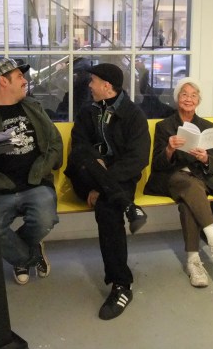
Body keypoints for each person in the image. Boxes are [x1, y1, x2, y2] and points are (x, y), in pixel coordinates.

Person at [65, 63, 150, 320]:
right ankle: (129, 207)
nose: (89, 85)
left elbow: (138, 158)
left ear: (107, 85)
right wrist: (95, 176)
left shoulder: (133, 115)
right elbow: (79, 148)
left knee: (107, 210)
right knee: (82, 153)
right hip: (87, 179)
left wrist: (104, 183)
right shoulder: (87, 112)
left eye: (93, 80)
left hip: (119, 178)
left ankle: (122, 285)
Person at [0, 57, 63, 285]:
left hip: (36, 183)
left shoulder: (34, 108)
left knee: (45, 219)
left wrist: (42, 169)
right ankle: (28, 256)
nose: (25, 80)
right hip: (0, 188)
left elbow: (55, 143)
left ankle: (19, 254)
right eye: (19, 76)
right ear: (3, 81)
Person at [144, 77, 213, 288]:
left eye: (193, 96)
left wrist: (205, 158)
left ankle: (193, 261)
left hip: (198, 180)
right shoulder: (165, 126)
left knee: (188, 201)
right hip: (171, 178)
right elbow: (157, 163)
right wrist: (169, 149)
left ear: (198, 101)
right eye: (184, 94)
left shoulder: (208, 127)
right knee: (187, 183)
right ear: (177, 98)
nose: (189, 99)